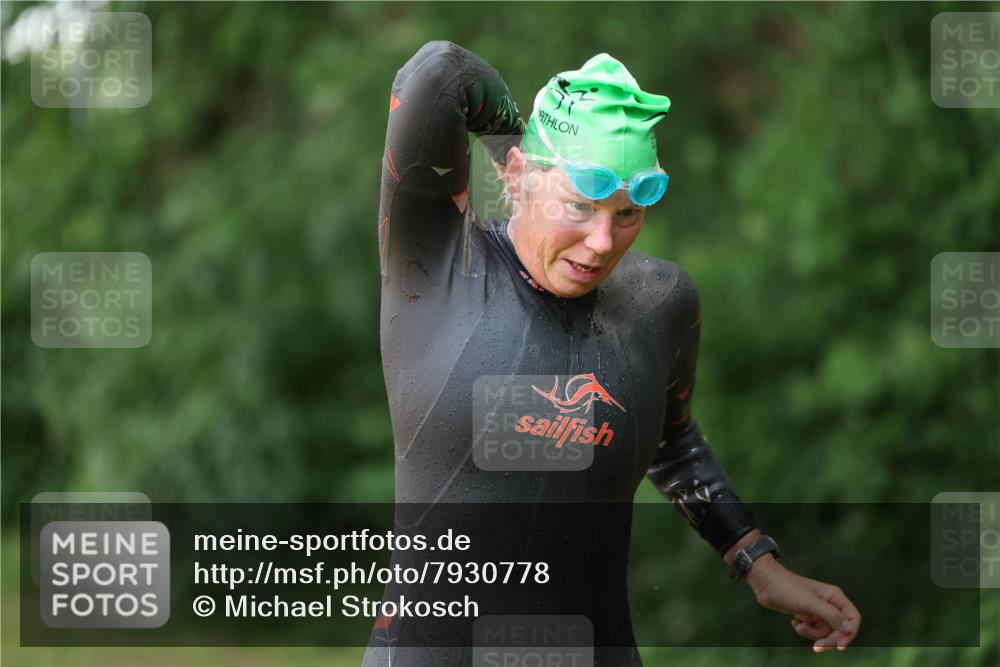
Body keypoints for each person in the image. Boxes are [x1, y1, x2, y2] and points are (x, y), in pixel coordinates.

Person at [367, 40, 861, 666]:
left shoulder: (660, 304)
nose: (602, 242)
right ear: (517, 176)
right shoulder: (436, 267)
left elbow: (672, 441)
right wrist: (515, 140)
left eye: (627, 214)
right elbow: (437, 71)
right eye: (579, 205)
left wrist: (756, 560)